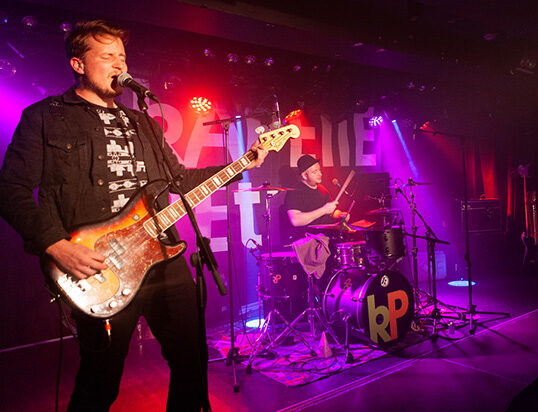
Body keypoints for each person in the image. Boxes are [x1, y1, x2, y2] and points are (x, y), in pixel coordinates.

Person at [0, 20, 268, 411]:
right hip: (98, 265)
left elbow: (178, 180)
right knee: (100, 382)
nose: (118, 65)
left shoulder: (142, 121)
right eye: (107, 56)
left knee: (192, 364)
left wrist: (243, 163)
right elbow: (11, 190)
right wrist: (55, 245)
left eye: (122, 57)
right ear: (78, 64)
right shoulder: (45, 117)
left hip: (163, 258)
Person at [282, 154, 348, 241]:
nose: (320, 174)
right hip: (307, 239)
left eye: (319, 170)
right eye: (315, 172)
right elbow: (296, 220)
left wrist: (340, 215)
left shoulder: (322, 189)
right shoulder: (295, 192)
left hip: (326, 236)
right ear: (304, 175)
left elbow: (331, 212)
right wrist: (324, 210)